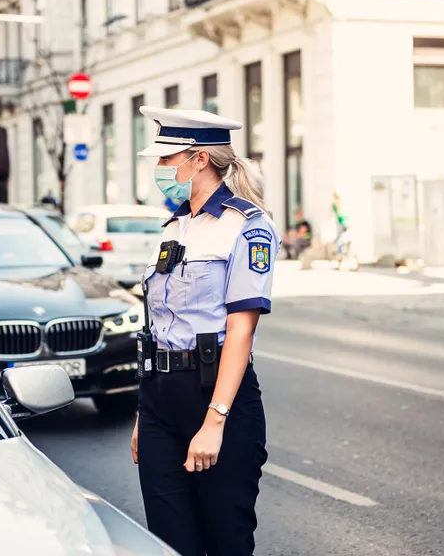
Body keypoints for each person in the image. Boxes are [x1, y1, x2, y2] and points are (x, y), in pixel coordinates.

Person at [130, 106, 279, 556]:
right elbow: (157, 328)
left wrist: (215, 422)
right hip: (160, 399)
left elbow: (240, 334)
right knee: (169, 543)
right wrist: (144, 410)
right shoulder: (174, 225)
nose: (159, 169)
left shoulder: (248, 226)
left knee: (225, 542)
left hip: (215, 396)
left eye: (166, 159)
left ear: (197, 160)